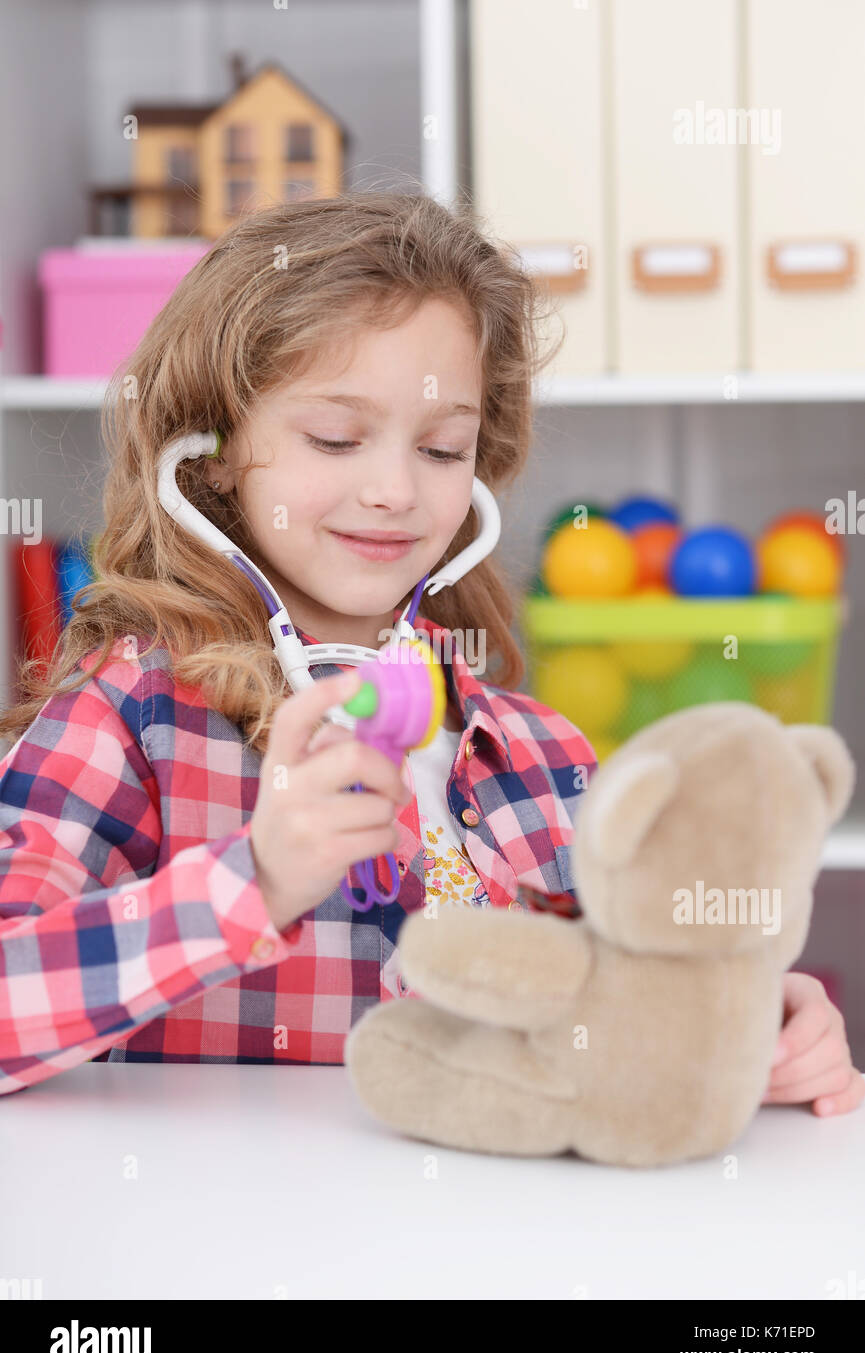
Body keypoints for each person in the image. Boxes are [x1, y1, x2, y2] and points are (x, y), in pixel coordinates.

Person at [0, 193, 860, 1119]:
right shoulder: (133, 716)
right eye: (335, 437)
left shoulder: (542, 755)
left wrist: (744, 1026)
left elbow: (612, 1012)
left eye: (443, 448)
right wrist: (260, 879)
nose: (394, 490)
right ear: (209, 453)